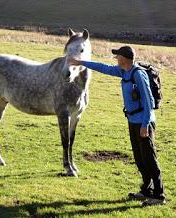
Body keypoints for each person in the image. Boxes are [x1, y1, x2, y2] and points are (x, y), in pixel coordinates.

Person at [69, 45, 166, 206]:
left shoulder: (138, 74)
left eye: (117, 56)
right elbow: (103, 67)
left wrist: (145, 125)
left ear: (124, 59)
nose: (115, 59)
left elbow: (148, 101)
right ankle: (146, 191)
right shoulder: (124, 71)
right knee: (139, 158)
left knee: (149, 159)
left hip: (144, 123)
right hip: (132, 121)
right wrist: (81, 62)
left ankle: (159, 195)